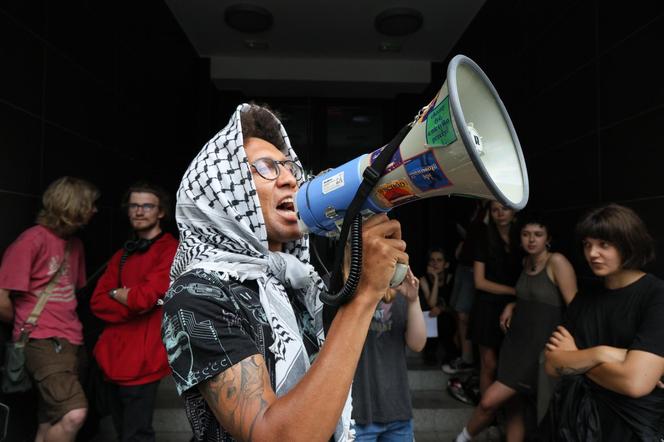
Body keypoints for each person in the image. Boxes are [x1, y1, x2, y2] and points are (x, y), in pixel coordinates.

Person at [161, 103, 408, 442]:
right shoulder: (197, 294)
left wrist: (360, 277)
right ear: (223, 191)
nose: (291, 178)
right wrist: (364, 296)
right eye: (266, 168)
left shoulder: (296, 280)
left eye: (290, 167)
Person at [543, 204, 664, 441]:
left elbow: (635, 382)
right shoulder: (585, 297)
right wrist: (603, 353)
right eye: (588, 244)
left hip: (634, 429)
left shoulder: (656, 295)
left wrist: (577, 356)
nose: (592, 253)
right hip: (577, 423)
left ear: (628, 244)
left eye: (603, 245)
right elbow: (552, 364)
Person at [454, 213, 577, 442]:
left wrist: (568, 349)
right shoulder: (526, 262)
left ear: (548, 238)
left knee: (489, 401)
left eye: (538, 235)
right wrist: (513, 304)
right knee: (514, 407)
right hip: (515, 345)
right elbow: (531, 297)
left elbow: (576, 309)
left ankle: (461, 439)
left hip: (540, 348)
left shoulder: (556, 262)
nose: (532, 239)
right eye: (526, 234)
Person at [0, 176, 99, 442]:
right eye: (90, 204)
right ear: (73, 206)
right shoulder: (32, 240)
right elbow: (1, 298)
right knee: (74, 413)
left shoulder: (74, 245)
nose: (95, 210)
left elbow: (72, 292)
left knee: (50, 420)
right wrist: (27, 326)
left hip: (72, 341)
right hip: (42, 341)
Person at [90, 181, 178, 442]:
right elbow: (97, 301)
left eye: (147, 206)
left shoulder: (170, 249)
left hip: (143, 359)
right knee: (122, 432)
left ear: (161, 212)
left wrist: (120, 295)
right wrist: (127, 298)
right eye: (134, 205)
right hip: (111, 358)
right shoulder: (123, 253)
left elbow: (144, 299)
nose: (139, 211)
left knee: (136, 435)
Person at [352, 267, 426, 441]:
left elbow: (417, 344)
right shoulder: (347, 285)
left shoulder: (401, 291)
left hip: (397, 410)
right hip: (357, 413)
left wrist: (414, 301)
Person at [469, 201, 522, 396]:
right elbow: (480, 282)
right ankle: (487, 415)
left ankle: (504, 413)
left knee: (510, 363)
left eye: (504, 209)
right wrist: (514, 291)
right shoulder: (484, 239)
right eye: (495, 210)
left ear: (514, 212)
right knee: (489, 364)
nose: (500, 214)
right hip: (487, 306)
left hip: (515, 305)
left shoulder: (523, 238)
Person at [444, 200, 488, 375]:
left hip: (474, 267)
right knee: (456, 309)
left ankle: (468, 358)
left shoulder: (493, 207)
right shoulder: (475, 205)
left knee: (463, 313)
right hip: (464, 264)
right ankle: (464, 354)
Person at [418, 247, 456, 366]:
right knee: (431, 314)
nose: (435, 263)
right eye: (432, 260)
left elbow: (453, 307)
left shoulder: (451, 279)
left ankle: (451, 355)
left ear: (446, 264)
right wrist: (434, 280)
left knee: (444, 319)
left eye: (439, 260)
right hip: (430, 317)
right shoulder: (424, 280)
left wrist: (442, 309)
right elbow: (432, 303)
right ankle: (430, 353)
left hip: (449, 318)